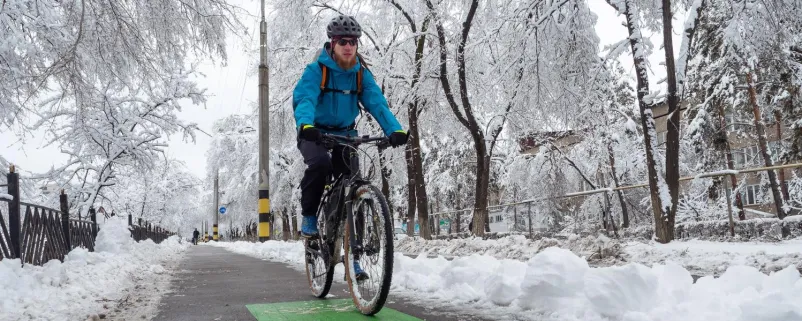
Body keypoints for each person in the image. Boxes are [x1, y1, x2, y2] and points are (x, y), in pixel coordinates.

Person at [293, 15, 408, 279]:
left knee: (353, 187)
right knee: (320, 165)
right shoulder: (316, 71)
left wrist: (394, 130)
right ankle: (310, 217)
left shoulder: (360, 75)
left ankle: (353, 258)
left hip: (346, 135)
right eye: (343, 41)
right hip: (314, 133)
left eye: (353, 42)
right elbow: (305, 99)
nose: (348, 46)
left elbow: (377, 103)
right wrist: (306, 125)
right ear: (332, 44)